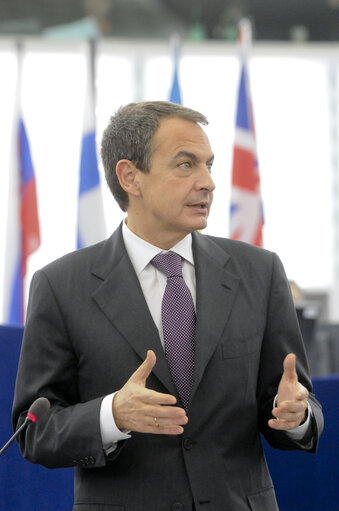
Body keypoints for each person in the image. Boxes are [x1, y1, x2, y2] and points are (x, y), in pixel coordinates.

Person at [12, 101, 323, 511]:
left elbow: (296, 407)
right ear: (130, 176)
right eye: (185, 165)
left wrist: (297, 416)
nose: (208, 182)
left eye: (209, 165)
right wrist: (112, 415)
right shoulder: (60, 285)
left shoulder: (259, 273)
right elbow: (34, 431)